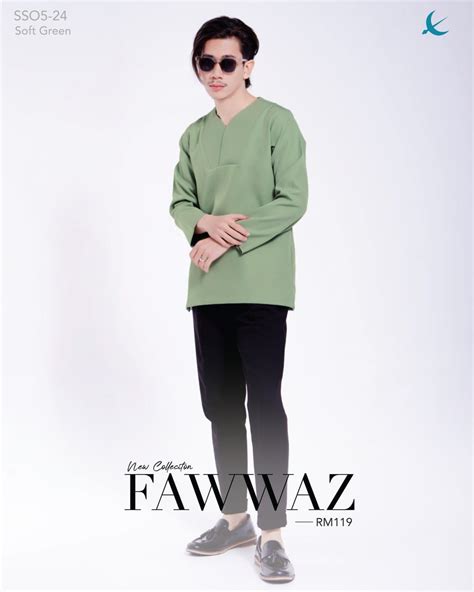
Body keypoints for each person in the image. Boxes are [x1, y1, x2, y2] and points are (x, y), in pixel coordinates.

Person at [169, 15, 308, 584]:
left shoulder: (277, 122)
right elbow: (180, 202)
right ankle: (235, 521)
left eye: (228, 62)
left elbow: (292, 200)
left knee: (265, 406)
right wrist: (204, 223)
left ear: (248, 65)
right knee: (220, 407)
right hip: (209, 289)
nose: (216, 73)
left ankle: (272, 534)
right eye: (206, 62)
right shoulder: (194, 135)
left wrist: (224, 236)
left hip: (261, 286)